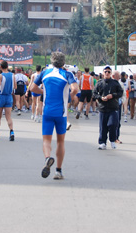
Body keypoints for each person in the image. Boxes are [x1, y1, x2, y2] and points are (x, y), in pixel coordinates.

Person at [30, 52, 79, 180]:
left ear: (52, 62)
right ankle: (58, 171)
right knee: (60, 141)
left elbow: (32, 88)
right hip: (61, 113)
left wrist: (43, 91)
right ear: (63, 62)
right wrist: (69, 98)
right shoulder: (67, 74)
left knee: (46, 140)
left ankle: (47, 158)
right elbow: (75, 89)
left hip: (47, 112)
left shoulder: (45, 73)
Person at [93, 65, 124, 149]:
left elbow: (120, 93)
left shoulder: (115, 83)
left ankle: (113, 140)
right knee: (103, 127)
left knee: (113, 124)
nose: (107, 73)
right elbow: (94, 93)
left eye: (108, 72)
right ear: (103, 73)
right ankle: (102, 142)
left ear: (111, 73)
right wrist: (100, 98)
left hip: (113, 107)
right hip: (103, 107)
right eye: (105, 71)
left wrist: (113, 95)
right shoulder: (99, 83)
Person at [0, 61, 15, 141]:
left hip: (1, 96)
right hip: (9, 96)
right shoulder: (13, 75)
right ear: (7, 66)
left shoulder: (0, 76)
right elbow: (15, 86)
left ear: (1, 67)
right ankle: (11, 131)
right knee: (8, 116)